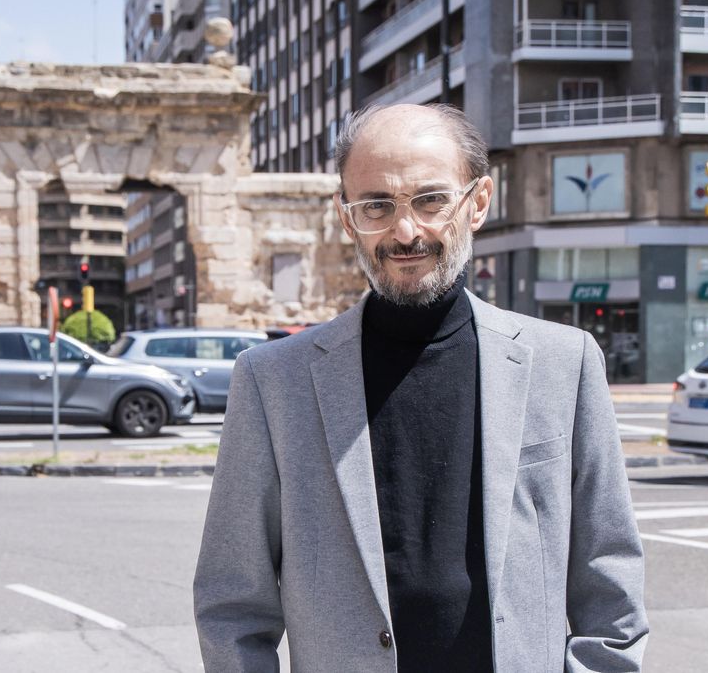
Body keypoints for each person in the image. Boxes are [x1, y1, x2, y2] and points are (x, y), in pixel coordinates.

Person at [193, 104, 647, 672]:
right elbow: (232, 605)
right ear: (346, 216)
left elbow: (611, 581)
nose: (405, 232)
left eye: (431, 200)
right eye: (377, 206)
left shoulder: (564, 364)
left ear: (477, 203)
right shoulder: (272, 382)